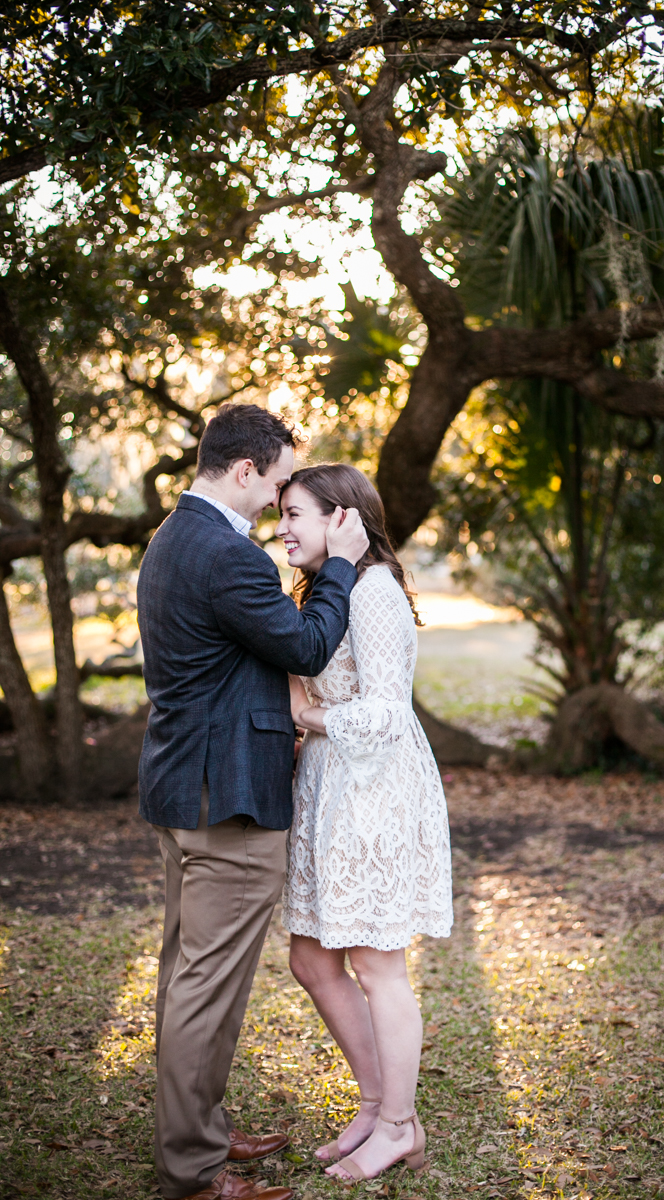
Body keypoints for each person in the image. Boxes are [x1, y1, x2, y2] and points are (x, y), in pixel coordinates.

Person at [137, 405, 369, 1200]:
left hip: (184, 785)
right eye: (275, 484)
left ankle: (197, 1129)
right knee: (207, 986)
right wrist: (338, 566)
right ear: (245, 470)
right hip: (226, 800)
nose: (277, 502)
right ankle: (194, 1172)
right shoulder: (225, 556)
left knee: (189, 977)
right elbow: (305, 645)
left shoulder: (172, 538)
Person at [276, 463, 453, 1185]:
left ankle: (399, 1126)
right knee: (313, 959)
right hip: (327, 789)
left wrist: (308, 717)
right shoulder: (328, 588)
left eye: (296, 513)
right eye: (280, 513)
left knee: (379, 967)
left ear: (341, 519)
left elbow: (384, 714)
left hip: (371, 791)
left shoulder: (374, 592)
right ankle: (377, 1101)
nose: (282, 527)